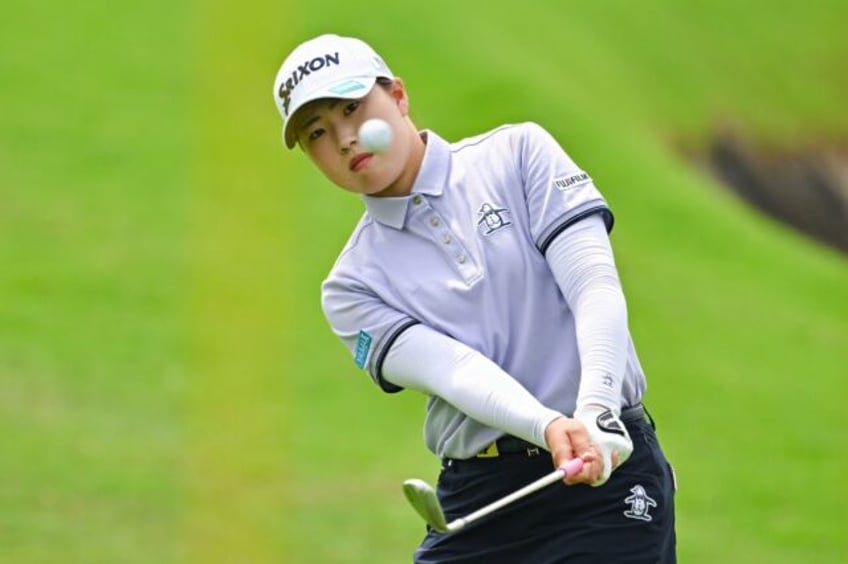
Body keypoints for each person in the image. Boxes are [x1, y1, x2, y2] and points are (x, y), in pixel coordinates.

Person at [273, 33, 677, 563]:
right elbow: (454, 371)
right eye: (318, 132)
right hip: (483, 493)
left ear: (397, 96)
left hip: (607, 470)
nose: (346, 138)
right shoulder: (352, 285)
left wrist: (597, 409)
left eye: (352, 108)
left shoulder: (518, 153)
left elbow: (594, 283)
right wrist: (550, 426)